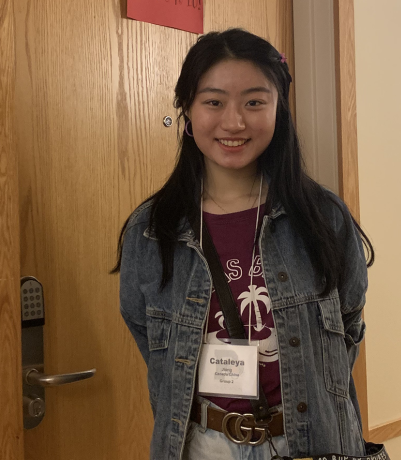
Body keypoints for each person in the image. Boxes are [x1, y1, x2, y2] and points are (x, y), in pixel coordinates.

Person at [113, 28, 374, 460]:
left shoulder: (323, 217)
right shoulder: (151, 229)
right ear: (187, 110)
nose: (234, 122)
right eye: (213, 102)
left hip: (312, 443)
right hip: (202, 444)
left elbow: (348, 327)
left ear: (279, 109)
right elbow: (146, 334)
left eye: (254, 102)